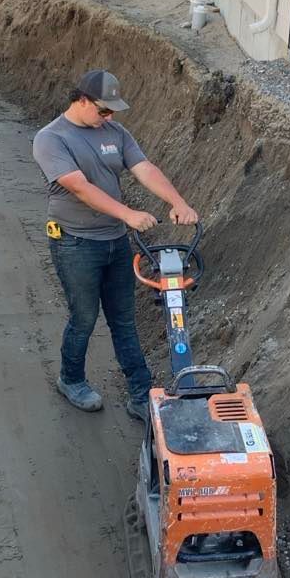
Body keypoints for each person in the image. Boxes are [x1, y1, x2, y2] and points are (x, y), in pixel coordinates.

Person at [33, 69, 199, 421]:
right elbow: (78, 186)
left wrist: (178, 202)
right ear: (81, 100)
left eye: (112, 112)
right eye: (103, 110)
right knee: (84, 316)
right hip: (75, 243)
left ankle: (141, 395)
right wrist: (127, 213)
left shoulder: (115, 132)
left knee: (124, 319)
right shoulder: (51, 139)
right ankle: (71, 379)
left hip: (116, 242)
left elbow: (144, 169)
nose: (109, 117)